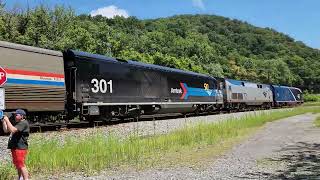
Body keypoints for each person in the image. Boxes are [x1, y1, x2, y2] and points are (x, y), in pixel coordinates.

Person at [1, 109, 30, 180]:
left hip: (20, 147)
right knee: (18, 165)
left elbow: (13, 130)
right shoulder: (18, 123)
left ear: (22, 116)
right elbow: (6, 130)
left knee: (21, 165)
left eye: (16, 115)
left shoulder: (24, 123)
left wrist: (7, 120)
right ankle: (20, 178)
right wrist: (4, 122)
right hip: (15, 147)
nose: (15, 116)